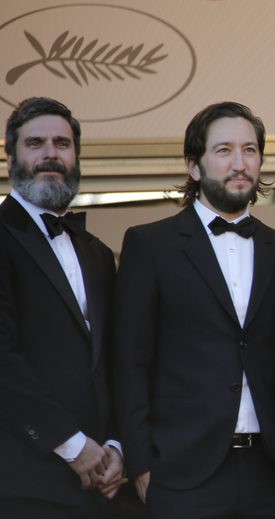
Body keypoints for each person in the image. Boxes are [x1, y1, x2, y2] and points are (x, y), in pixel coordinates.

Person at [114, 102, 275, 518]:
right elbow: (130, 362)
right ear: (194, 165)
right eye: (224, 150)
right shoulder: (150, 246)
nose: (239, 163)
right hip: (183, 473)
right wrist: (142, 464)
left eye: (250, 150)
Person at [0, 97, 124, 517]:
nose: (50, 153)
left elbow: (113, 360)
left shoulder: (98, 253)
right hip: (24, 484)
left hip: (102, 486)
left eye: (62, 143)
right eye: (35, 143)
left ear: (76, 156)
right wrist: (72, 444)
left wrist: (115, 447)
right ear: (11, 155)